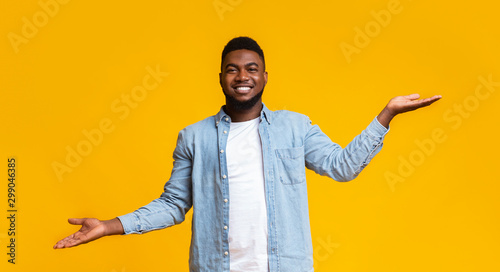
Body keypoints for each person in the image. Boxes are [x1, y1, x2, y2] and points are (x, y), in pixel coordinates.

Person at [54, 36, 441, 272]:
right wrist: (109, 225)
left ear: (265, 76)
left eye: (252, 68)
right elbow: (173, 205)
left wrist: (385, 115)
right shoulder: (194, 137)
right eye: (232, 69)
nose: (242, 77)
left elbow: (342, 167)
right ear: (221, 77)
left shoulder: (295, 126)